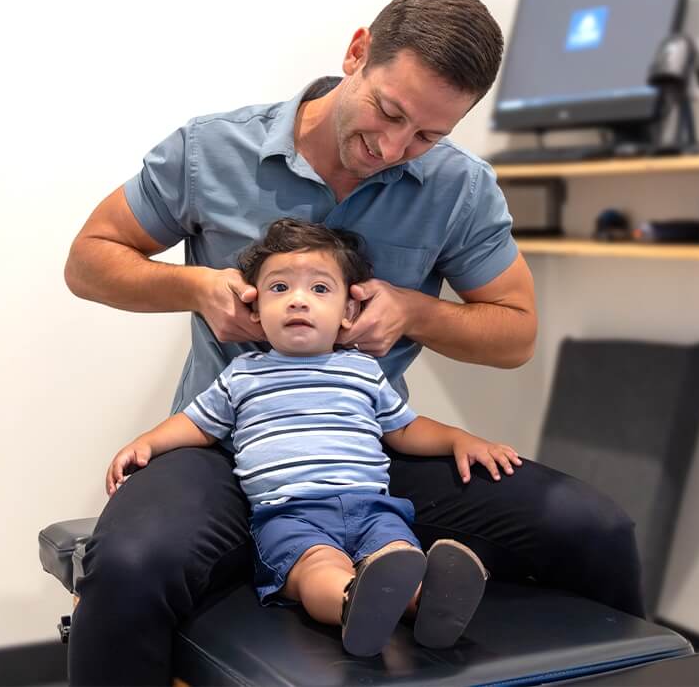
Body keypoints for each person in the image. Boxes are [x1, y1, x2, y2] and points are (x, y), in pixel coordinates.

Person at [63, 0, 644, 685]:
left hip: (360, 442)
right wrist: (197, 288)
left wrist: (417, 311)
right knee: (130, 564)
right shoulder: (211, 150)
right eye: (389, 111)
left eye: (429, 134)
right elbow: (88, 260)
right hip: (225, 444)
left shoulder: (459, 188)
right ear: (357, 52)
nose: (395, 147)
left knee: (596, 530)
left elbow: (516, 333)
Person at [105, 218, 520, 656]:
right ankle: (351, 603)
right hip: (291, 514)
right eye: (280, 288)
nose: (298, 301)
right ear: (255, 307)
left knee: (397, 552)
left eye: (319, 289)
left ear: (348, 311)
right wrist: (148, 441)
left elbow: (404, 429)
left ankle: (425, 604)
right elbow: (197, 424)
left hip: (373, 506)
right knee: (318, 566)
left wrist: (458, 439)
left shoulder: (361, 371)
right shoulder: (244, 375)